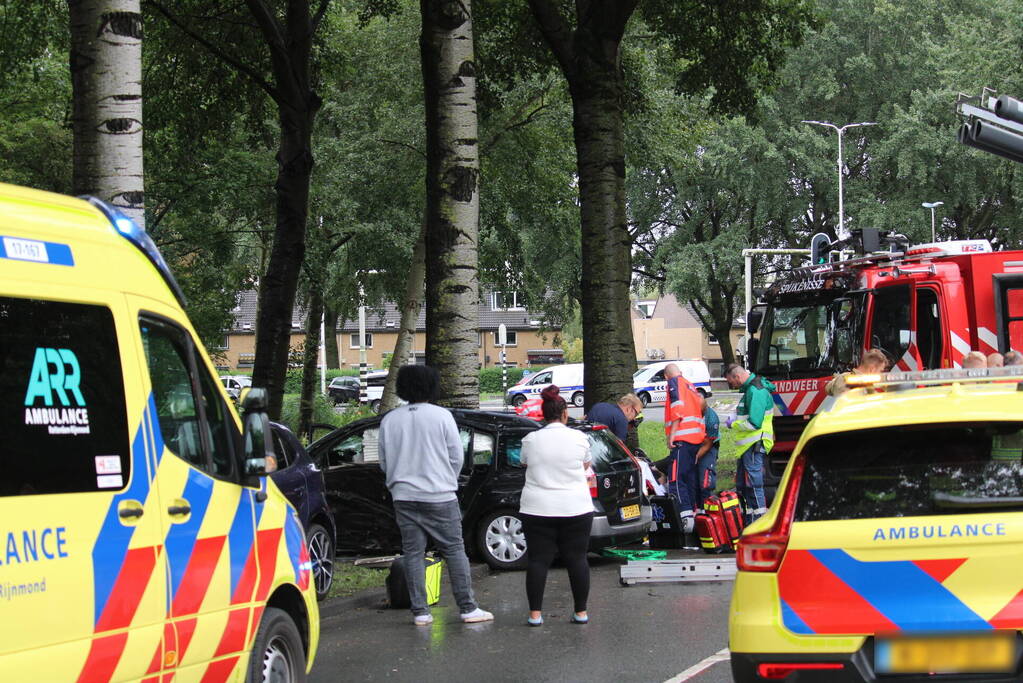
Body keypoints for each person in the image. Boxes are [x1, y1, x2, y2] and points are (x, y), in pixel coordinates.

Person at [378, 365, 493, 626]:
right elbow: (457, 456)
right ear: (432, 386)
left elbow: (384, 461)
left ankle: (420, 612)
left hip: (403, 496)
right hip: (440, 495)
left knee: (413, 553)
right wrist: (448, 479)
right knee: (454, 549)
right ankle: (467, 607)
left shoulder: (390, 420)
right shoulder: (442, 416)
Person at [519, 385, 594, 627]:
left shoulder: (530, 440)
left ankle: (535, 614)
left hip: (537, 508)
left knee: (538, 560)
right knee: (577, 559)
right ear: (564, 414)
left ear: (542, 414)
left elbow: (525, 464)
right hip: (576, 508)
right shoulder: (580, 438)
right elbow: (585, 466)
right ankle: (580, 612)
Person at [724, 364, 776, 525]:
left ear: (737, 377)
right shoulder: (750, 390)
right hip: (748, 446)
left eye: (731, 382)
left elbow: (754, 423)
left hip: (754, 443)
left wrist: (733, 424)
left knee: (754, 484)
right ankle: (750, 518)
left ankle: (759, 521)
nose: (732, 385)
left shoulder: (755, 391)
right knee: (744, 485)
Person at [661, 363, 706, 533]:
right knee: (689, 478)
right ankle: (694, 512)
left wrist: (672, 435)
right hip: (695, 439)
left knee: (676, 478)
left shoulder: (674, 383)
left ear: (666, 376)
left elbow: (677, 409)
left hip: (682, 438)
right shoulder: (690, 385)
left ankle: (685, 517)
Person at [696, 401, 720, 508]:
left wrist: (695, 457)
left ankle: (706, 509)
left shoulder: (711, 419)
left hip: (708, 446)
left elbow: (708, 444)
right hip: (694, 444)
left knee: (705, 480)